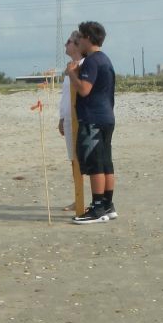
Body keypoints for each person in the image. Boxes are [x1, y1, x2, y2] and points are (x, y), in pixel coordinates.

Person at [69, 21, 118, 224]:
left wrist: (72, 73)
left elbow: (84, 89)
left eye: (80, 37)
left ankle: (98, 207)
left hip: (94, 119)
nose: (78, 40)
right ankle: (108, 204)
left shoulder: (92, 61)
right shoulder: (105, 60)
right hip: (106, 117)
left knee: (96, 163)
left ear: (88, 38)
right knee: (106, 162)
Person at [57, 30, 84, 211]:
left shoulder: (83, 65)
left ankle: (81, 199)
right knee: (72, 159)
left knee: (79, 159)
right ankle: (77, 196)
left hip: (79, 119)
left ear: (76, 44)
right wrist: (61, 117)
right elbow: (66, 95)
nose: (65, 44)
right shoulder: (70, 66)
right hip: (68, 118)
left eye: (68, 41)